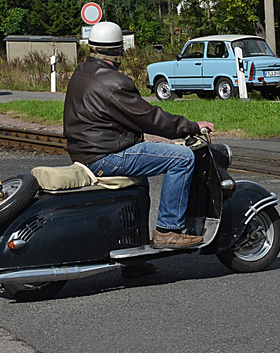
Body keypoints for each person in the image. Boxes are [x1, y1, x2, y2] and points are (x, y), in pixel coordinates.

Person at [64, 21, 215, 249]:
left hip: (84, 153)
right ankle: (168, 230)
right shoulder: (114, 82)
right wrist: (191, 127)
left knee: (140, 182)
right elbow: (150, 118)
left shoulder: (81, 72)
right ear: (118, 51)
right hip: (106, 156)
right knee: (182, 158)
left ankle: (133, 245)